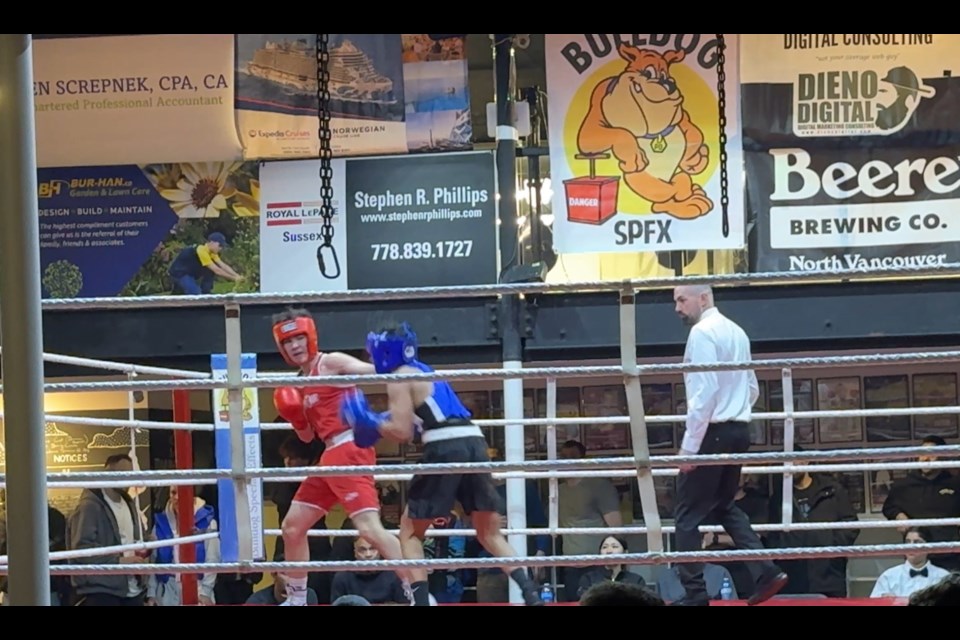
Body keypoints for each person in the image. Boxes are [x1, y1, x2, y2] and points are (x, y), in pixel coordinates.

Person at [340, 321, 544, 606]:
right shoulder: (425, 370)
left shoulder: (398, 377)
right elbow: (420, 414)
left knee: (410, 532)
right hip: (474, 441)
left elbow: (402, 431)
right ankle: (531, 593)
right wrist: (379, 420)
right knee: (489, 532)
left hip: (444, 446)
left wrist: (370, 421)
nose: (371, 360)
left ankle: (422, 603)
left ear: (384, 352)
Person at [270, 308, 413, 607]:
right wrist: (295, 416)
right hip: (329, 456)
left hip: (350, 449)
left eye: (299, 337)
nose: (295, 346)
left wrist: (396, 359)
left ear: (310, 335)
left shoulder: (330, 362)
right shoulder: (301, 381)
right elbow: (308, 437)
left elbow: (376, 371)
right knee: (292, 527)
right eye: (288, 342)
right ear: (281, 347)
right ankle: (297, 599)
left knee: (369, 531)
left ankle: (417, 592)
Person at [671, 284, 788, 606]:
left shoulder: (702, 333)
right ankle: (766, 570)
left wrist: (690, 446)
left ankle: (695, 595)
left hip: (715, 430)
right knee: (723, 505)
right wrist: (736, 409)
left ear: (703, 297)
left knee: (686, 516)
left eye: (682, 300)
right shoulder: (737, 331)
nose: (678, 308)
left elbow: (704, 392)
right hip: (738, 430)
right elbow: (751, 387)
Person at [168, 231, 243, 294]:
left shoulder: (212, 253)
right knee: (195, 294)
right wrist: (234, 278)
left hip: (190, 272)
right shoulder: (202, 251)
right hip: (180, 273)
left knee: (208, 272)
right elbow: (217, 270)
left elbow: (223, 265)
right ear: (211, 242)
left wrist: (237, 275)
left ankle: (206, 292)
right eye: (220, 245)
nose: (221, 248)